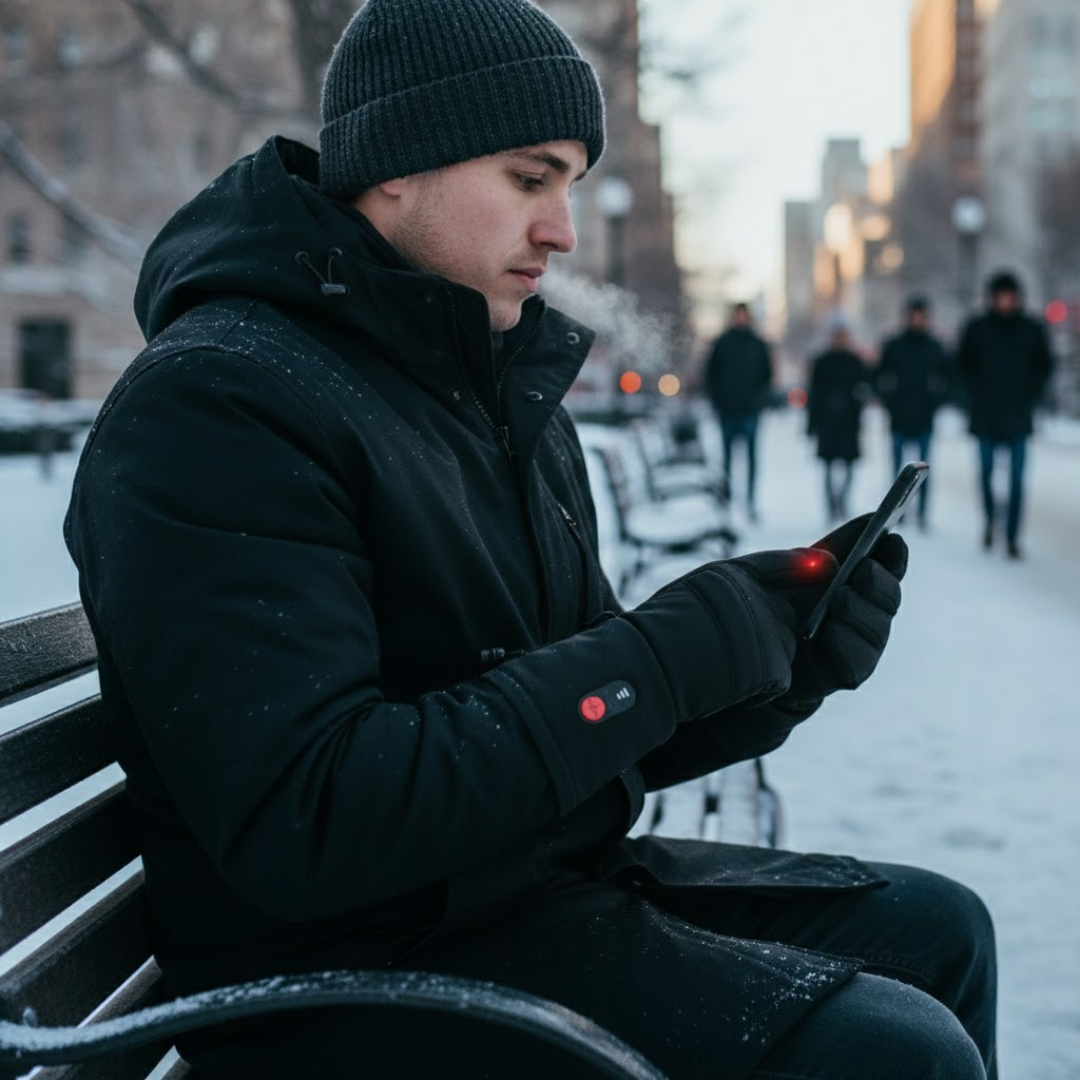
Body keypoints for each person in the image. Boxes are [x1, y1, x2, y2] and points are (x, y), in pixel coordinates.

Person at [64, 2, 996, 1077]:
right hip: (342, 983)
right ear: (397, 166)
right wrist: (659, 658)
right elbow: (310, 819)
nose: (562, 230)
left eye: (569, 188)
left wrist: (777, 668)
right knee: (895, 1054)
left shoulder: (489, 395)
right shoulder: (221, 401)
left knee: (942, 929)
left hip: (513, 897)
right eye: (528, 178)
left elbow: (581, 718)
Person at [956, 270, 1054, 559]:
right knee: (986, 474)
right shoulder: (977, 328)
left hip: (1018, 415)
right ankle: (990, 521)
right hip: (985, 414)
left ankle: (1012, 536)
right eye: (1000, 296)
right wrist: (971, 397)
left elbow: (1044, 365)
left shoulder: (1031, 329)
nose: (1004, 302)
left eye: (1009, 296)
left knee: (1017, 480)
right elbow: (962, 366)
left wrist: (1031, 394)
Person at [874, 296, 951, 529]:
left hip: (924, 417)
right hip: (899, 417)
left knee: (925, 471)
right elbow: (879, 376)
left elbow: (948, 378)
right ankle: (899, 513)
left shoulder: (934, 347)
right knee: (898, 473)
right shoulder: (894, 345)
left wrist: (935, 400)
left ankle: (923, 513)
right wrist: (890, 401)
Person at [704, 301, 774, 520]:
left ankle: (750, 502)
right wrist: (718, 401)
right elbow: (711, 375)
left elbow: (766, 375)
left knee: (752, 459)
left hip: (749, 410)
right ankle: (727, 501)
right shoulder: (722, 343)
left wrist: (758, 400)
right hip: (728, 410)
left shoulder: (757, 344)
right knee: (727, 459)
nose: (741, 318)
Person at [807, 322, 872, 524]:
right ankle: (831, 505)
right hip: (828, 422)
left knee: (849, 465)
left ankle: (842, 502)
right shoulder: (822, 362)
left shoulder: (855, 362)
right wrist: (812, 423)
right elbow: (814, 395)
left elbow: (863, 390)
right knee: (827, 466)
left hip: (848, 422)